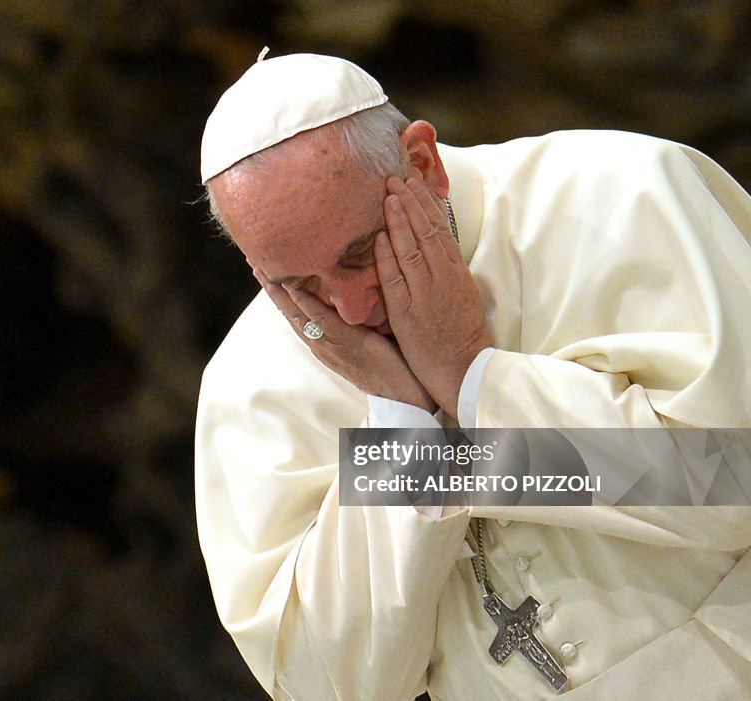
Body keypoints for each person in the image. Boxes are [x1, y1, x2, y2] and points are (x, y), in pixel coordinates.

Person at [194, 50, 751, 700]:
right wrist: (403, 430)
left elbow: (732, 483)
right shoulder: (251, 387)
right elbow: (325, 684)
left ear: (423, 164)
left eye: (358, 253)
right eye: (299, 286)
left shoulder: (624, 195)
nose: (349, 309)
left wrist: (471, 378)